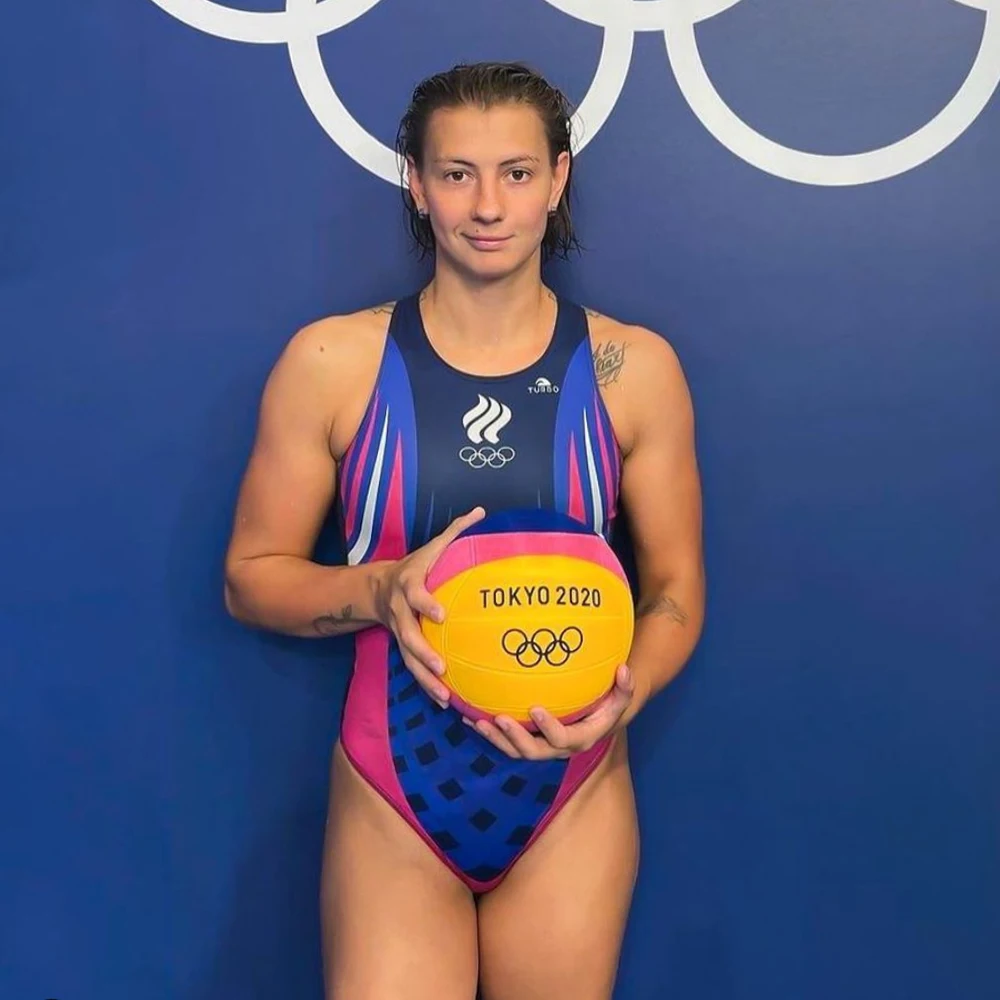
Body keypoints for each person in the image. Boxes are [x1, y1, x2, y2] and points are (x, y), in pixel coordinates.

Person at [224, 61, 705, 1000]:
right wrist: (380, 588)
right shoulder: (333, 361)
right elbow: (250, 577)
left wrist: (628, 693)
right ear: (417, 183)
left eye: (516, 173)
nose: (487, 206)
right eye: (457, 174)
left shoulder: (632, 370)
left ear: (558, 179)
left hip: (571, 787)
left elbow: (677, 590)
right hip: (394, 794)